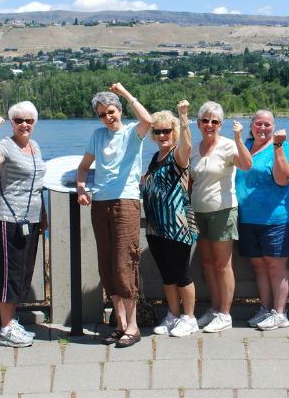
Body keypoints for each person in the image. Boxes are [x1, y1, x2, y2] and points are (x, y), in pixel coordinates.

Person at [76, 84, 152, 348]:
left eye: (111, 111)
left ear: (119, 110)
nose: (108, 117)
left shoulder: (132, 133)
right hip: (101, 204)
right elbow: (83, 168)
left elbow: (148, 120)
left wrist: (126, 94)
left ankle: (133, 327)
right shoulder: (97, 136)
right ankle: (120, 325)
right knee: (107, 265)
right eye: (101, 114)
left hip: (126, 202)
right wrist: (81, 188)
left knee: (125, 262)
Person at [0, 101, 46, 348]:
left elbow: (38, 185)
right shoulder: (5, 145)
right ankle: (6, 327)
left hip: (31, 217)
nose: (24, 124)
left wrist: (44, 215)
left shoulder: (35, 146)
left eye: (29, 120)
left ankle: (12, 323)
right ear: (12, 122)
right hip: (9, 218)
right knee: (11, 272)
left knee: (23, 272)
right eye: (19, 120)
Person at [190, 101, 252, 333]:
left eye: (214, 121)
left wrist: (238, 138)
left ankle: (225, 314)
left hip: (223, 211)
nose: (209, 125)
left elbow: (247, 164)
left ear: (221, 124)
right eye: (205, 120)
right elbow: (190, 180)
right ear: (198, 123)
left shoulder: (228, 146)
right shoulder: (195, 148)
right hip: (198, 212)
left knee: (222, 265)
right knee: (207, 264)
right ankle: (215, 309)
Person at [236, 110, 289, 331]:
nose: (262, 128)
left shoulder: (283, 147)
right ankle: (265, 308)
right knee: (258, 266)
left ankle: (280, 313)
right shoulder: (244, 147)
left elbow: (284, 179)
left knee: (275, 265)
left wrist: (278, 147)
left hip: (276, 217)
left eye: (267, 125)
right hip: (248, 218)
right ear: (251, 125)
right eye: (258, 124)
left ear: (274, 127)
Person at [140, 101, 199, 338]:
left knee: (181, 273)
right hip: (156, 226)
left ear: (173, 131)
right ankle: (173, 315)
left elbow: (187, 147)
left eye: (167, 130)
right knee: (167, 274)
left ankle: (190, 318)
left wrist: (184, 118)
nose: (163, 135)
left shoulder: (177, 153)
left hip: (177, 225)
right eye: (158, 131)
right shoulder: (156, 155)